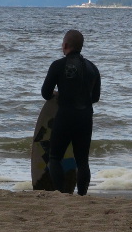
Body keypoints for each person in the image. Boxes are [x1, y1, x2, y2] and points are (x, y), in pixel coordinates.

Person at [41, 30, 101, 195]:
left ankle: (62, 194)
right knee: (82, 161)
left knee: (54, 157)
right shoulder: (93, 68)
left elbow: (45, 93)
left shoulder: (58, 65)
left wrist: (57, 94)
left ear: (65, 45)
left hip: (65, 116)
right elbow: (95, 97)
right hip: (85, 118)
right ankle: (82, 195)